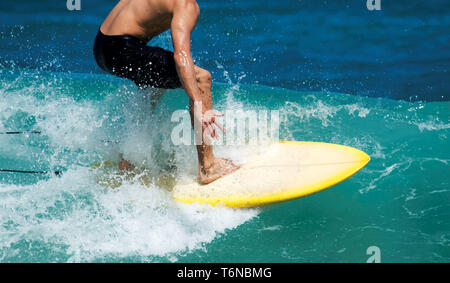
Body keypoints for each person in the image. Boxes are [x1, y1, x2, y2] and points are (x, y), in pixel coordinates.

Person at [93, 0, 239, 184]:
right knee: (201, 78)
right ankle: (208, 166)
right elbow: (181, 55)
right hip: (123, 49)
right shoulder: (186, 5)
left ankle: (128, 159)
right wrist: (198, 103)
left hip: (102, 47)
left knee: (157, 81)